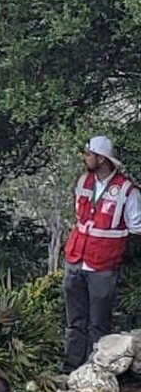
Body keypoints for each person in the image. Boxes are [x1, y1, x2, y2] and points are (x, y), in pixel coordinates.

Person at [63, 135, 141, 371]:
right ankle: (71, 365)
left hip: (103, 265)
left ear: (102, 158)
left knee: (98, 322)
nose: (84, 157)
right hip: (76, 258)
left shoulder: (128, 191)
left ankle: (94, 369)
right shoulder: (83, 182)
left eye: (88, 153)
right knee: (74, 320)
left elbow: (136, 227)